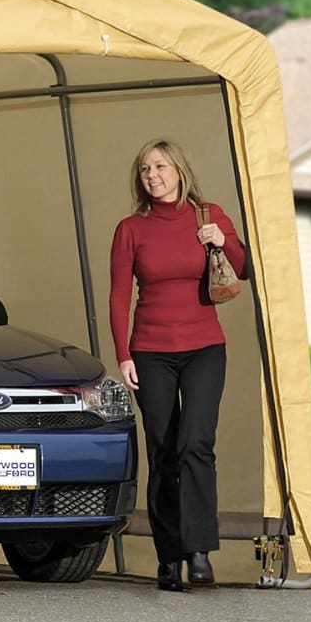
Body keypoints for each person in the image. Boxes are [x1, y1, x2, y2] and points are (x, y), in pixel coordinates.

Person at [109, 139, 247, 592]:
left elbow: (244, 268)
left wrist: (223, 241)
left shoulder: (208, 215)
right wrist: (123, 354)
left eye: (160, 166)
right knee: (163, 449)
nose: (152, 175)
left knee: (196, 443)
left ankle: (200, 551)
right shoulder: (130, 229)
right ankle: (169, 558)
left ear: (179, 171)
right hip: (150, 352)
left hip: (205, 347)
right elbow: (118, 296)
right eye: (145, 168)